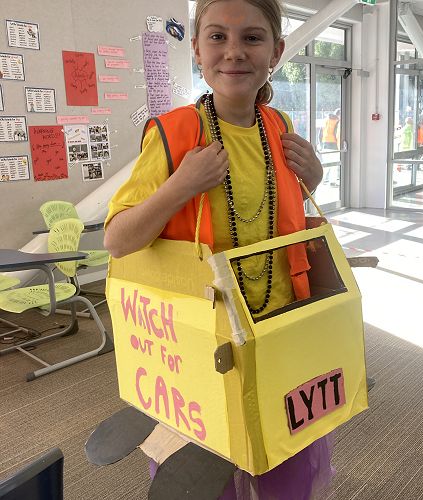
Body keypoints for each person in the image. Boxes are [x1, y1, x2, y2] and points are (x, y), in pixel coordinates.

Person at [104, 0, 330, 498]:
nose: (234, 52)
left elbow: (280, 216)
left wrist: (313, 179)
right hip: (201, 343)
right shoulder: (174, 133)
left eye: (252, 37)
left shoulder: (280, 126)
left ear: (276, 52)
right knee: (207, 477)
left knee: (283, 464)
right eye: (217, 37)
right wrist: (181, 186)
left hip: (278, 330)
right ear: (196, 49)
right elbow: (118, 240)